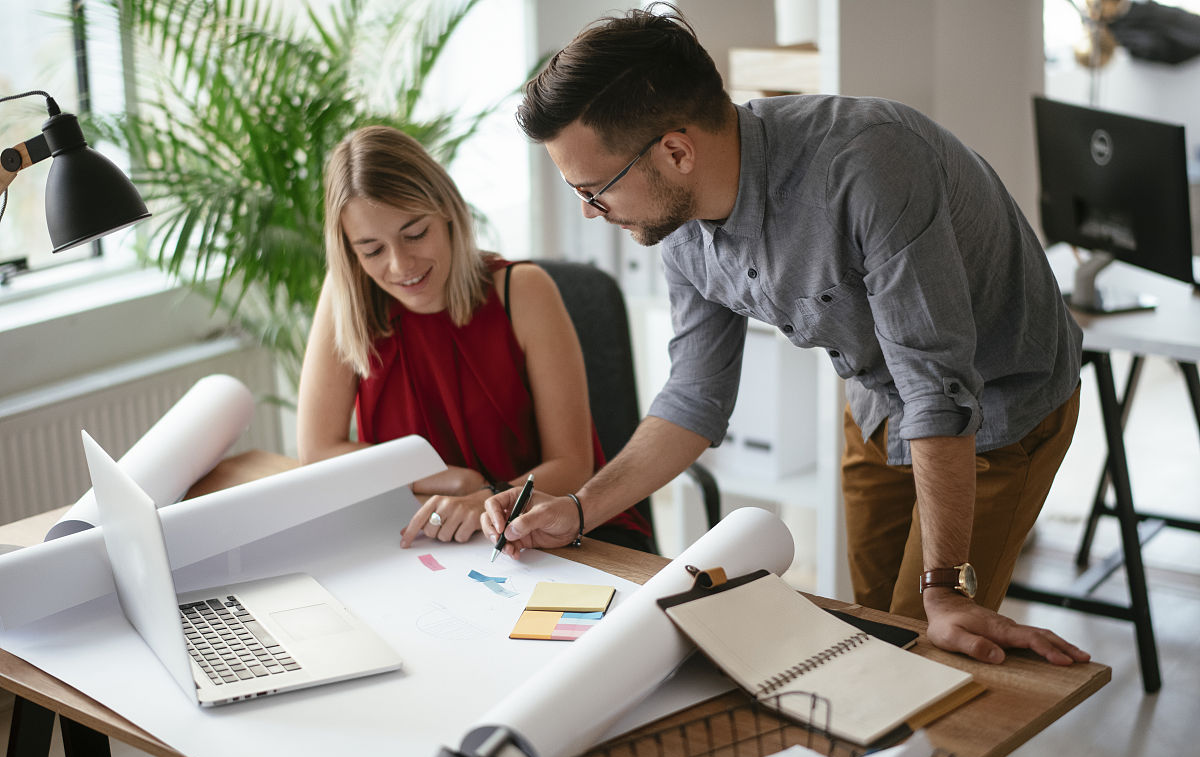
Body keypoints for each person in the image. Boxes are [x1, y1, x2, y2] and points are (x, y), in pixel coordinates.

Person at [483, 3, 1091, 667]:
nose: (588, 210)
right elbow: (694, 397)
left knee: (937, 654)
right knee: (881, 635)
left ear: (677, 151)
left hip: (999, 404)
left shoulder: (867, 166)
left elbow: (939, 389)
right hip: (876, 399)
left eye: (595, 190)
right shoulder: (679, 228)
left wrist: (946, 589)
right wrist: (578, 507)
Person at [298, 125, 652, 552]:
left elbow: (573, 465)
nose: (400, 265)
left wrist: (487, 495)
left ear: (447, 213)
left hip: (540, 531)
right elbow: (317, 453)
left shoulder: (523, 291)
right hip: (428, 537)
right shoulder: (345, 298)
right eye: (372, 250)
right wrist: (450, 479)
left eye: (414, 234)